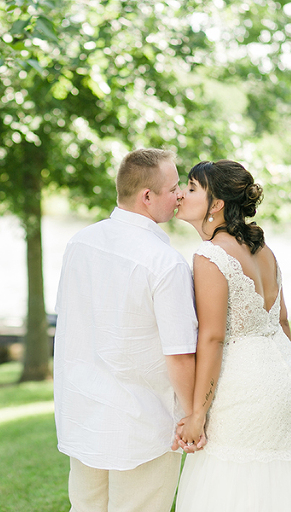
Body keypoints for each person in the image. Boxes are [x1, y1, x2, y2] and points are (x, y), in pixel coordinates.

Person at [172, 159, 291, 511]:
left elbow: (213, 338)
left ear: (216, 204)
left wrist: (197, 415)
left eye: (190, 188)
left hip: (246, 391)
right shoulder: (265, 251)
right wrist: (285, 380)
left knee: (238, 486)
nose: (180, 195)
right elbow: (283, 322)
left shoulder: (210, 255)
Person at [53, 148, 199, 512]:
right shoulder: (165, 263)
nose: (180, 194)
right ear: (147, 196)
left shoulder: (79, 243)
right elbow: (180, 352)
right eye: (174, 187)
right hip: (143, 424)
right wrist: (193, 415)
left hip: (84, 415)